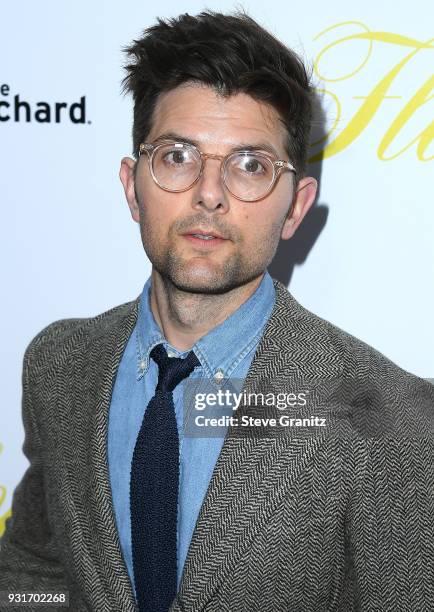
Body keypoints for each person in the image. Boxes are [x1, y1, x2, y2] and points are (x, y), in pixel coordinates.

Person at [0, 10, 433, 612]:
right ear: (132, 185)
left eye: (251, 165)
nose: (209, 193)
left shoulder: (390, 420)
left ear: (295, 207)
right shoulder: (59, 366)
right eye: (178, 156)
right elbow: (32, 571)